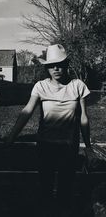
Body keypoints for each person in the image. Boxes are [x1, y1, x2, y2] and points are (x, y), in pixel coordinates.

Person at [5, 44, 95, 217]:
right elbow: (27, 112)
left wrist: (88, 145)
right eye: (52, 65)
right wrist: (11, 136)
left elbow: (84, 116)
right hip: (45, 145)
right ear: (46, 67)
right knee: (45, 186)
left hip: (69, 146)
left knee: (65, 187)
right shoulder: (40, 86)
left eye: (60, 64)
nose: (56, 68)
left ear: (67, 64)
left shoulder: (78, 86)